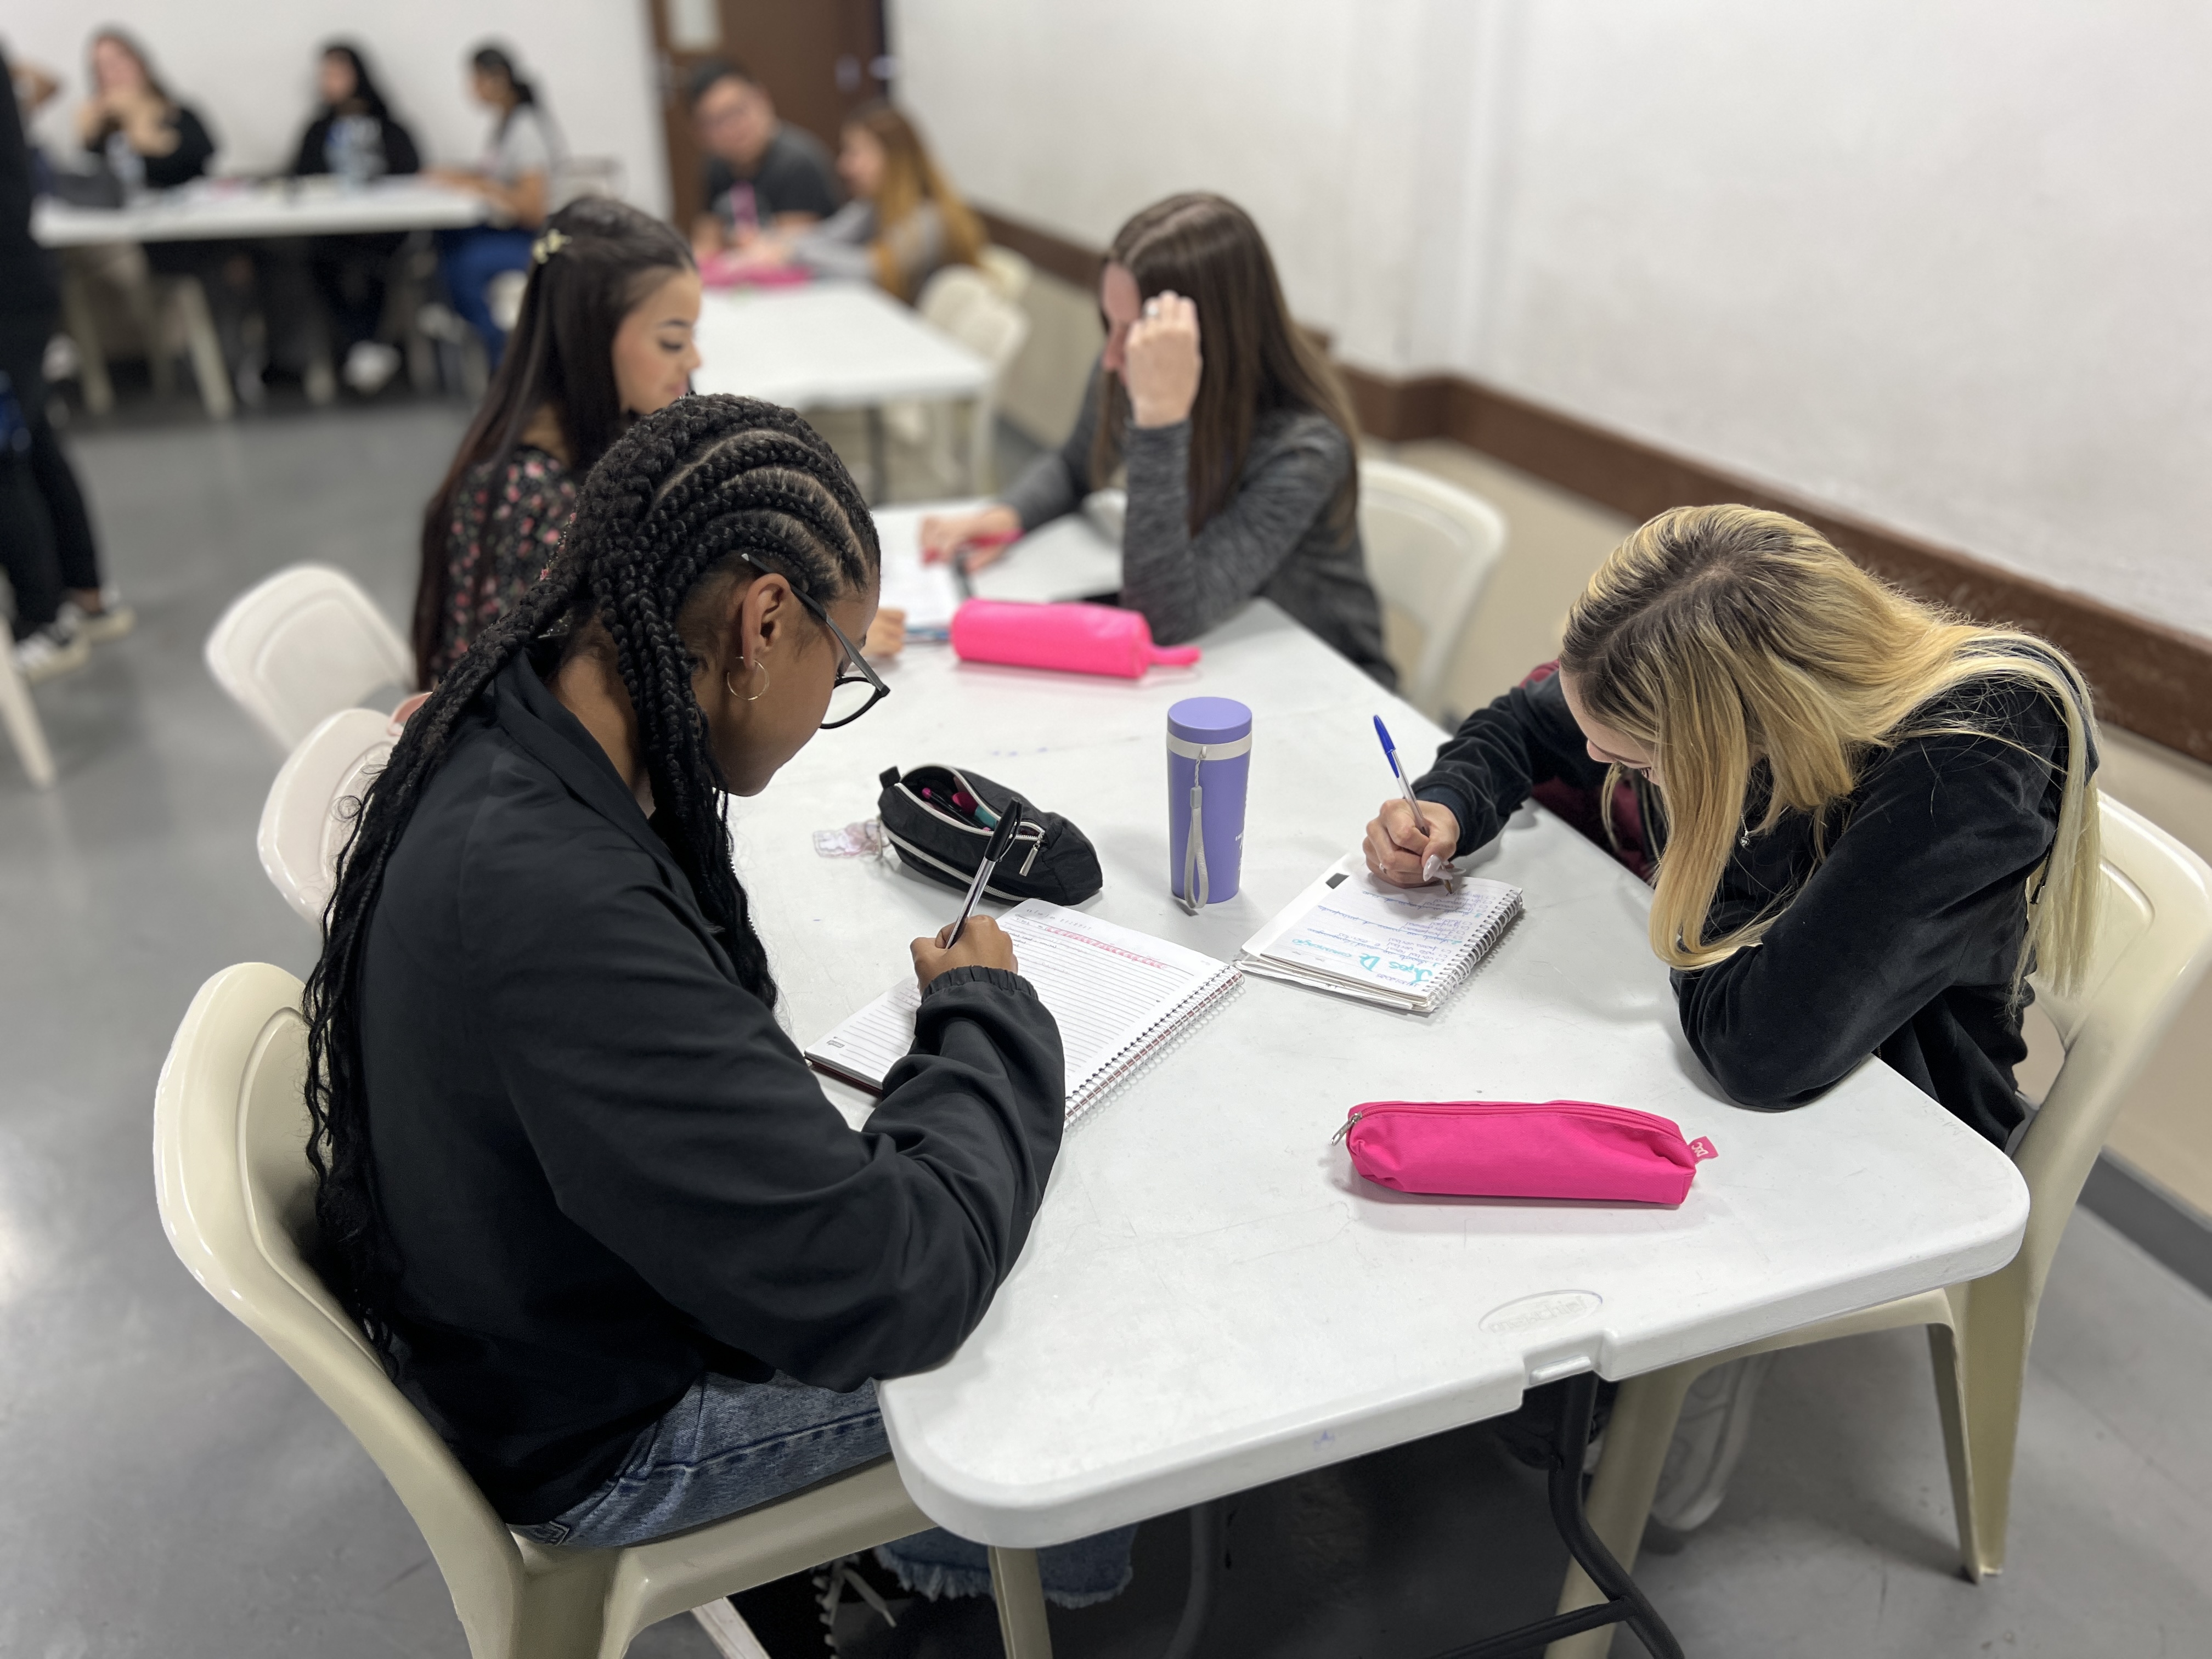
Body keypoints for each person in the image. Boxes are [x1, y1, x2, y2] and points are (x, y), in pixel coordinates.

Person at [307, 393, 1133, 1655]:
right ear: (762, 623)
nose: (832, 698)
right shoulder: (560, 909)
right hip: (604, 1440)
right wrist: (986, 1016)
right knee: (1062, 1335)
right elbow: (894, 1279)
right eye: (843, 668)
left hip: (521, 1324)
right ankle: (1019, 1575)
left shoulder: (517, 719)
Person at [1365, 504, 2102, 1532]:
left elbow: (1761, 1050)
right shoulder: (1747, 705)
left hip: (1885, 1114)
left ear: (1737, 735)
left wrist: (1695, 842)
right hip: (1761, 1035)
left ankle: (1670, 1380)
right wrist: (1453, 801)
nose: (1617, 769)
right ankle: (1574, 1379)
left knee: (1592, 1199)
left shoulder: (1968, 762)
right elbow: (1528, 727)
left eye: (1646, 764)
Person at [921, 193, 1394, 686]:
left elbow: (1164, 617)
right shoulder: (1128, 366)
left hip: (1327, 684)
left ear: (1207, 336)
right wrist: (1008, 514)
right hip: (1225, 658)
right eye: (1111, 325)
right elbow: (1074, 467)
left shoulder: (1303, 449)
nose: (1112, 356)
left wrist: (1160, 421)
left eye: (1135, 330)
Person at [412, 198, 701, 686]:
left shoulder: (610, 434)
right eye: (673, 341)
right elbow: (548, 691)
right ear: (592, 336)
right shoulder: (533, 495)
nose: (693, 358)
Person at [1, 42, 130, 683]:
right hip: (19, 280)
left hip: (8, 288)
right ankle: (86, 594)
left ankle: (43, 619)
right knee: (35, 437)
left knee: (6, 451)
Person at [733, 103, 984, 302]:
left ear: (894, 157)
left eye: (856, 153)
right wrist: (771, 242)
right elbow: (827, 236)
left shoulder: (930, 218)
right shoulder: (872, 207)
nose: (844, 166)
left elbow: (873, 271)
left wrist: (791, 253)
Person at [289, 42, 420, 395]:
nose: (329, 81)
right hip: (331, 231)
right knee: (317, 261)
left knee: (379, 263)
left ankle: (364, 345)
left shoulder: (388, 126)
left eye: (337, 72)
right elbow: (299, 176)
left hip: (384, 230)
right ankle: (367, 345)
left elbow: (411, 172)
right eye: (325, 74)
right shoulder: (318, 129)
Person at [427, 44, 558, 363]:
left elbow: (532, 208)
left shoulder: (525, 128)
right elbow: (498, 175)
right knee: (444, 239)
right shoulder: (506, 123)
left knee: (465, 262)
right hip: (515, 232)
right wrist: (462, 177)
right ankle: (462, 322)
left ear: (497, 79)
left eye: (475, 79)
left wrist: (482, 186)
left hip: (539, 240)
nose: (471, 89)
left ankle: (500, 352)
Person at [686, 60, 839, 258]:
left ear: (762, 98)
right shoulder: (716, 166)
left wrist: (728, 240)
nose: (731, 128)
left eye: (737, 111)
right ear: (699, 132)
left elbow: (789, 249)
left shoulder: (798, 162)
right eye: (716, 122)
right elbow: (704, 245)